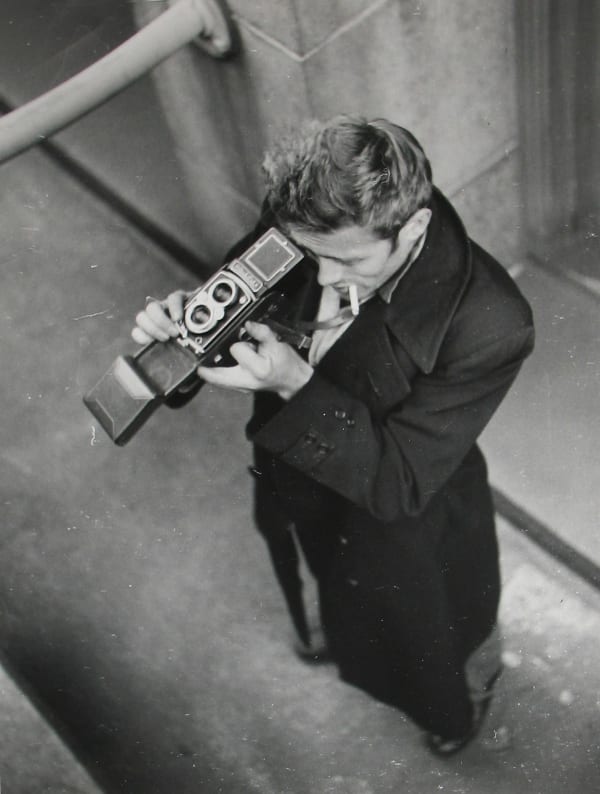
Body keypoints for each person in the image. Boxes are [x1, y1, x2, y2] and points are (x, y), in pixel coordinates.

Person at [132, 116, 534, 755]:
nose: (321, 280)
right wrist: (181, 336)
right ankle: (339, 635)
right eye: (308, 255)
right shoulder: (303, 221)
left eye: (346, 261)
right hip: (298, 475)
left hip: (412, 513)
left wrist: (296, 383)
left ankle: (461, 710)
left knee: (441, 633)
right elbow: (230, 313)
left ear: (414, 229)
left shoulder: (492, 324)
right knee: (333, 585)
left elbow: (400, 481)